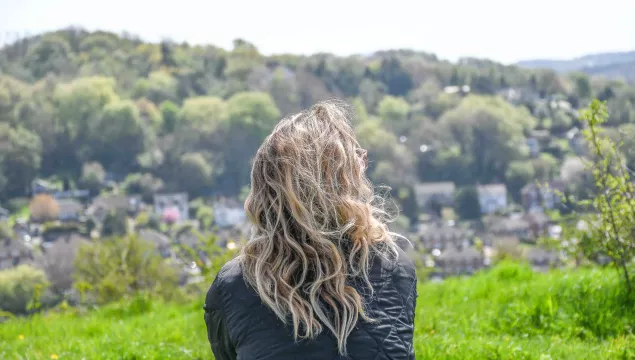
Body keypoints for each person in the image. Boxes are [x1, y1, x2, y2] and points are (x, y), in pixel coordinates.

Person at [204, 100, 417, 360]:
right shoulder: (394, 266)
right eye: (357, 157)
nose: (366, 158)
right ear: (345, 183)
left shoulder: (233, 285)